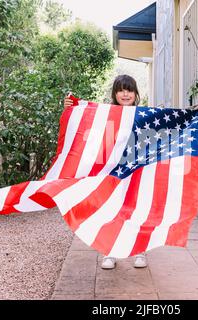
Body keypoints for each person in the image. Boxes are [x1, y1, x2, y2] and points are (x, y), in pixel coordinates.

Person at [63, 74, 147, 270]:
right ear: (114, 93)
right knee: (112, 210)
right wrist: (71, 108)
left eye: (129, 90)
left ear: (136, 93)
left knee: (136, 209)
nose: (125, 94)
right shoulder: (106, 114)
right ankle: (110, 252)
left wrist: (190, 113)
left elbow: (165, 124)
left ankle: (139, 251)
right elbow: (86, 128)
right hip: (112, 172)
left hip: (136, 171)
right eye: (121, 90)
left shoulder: (143, 115)